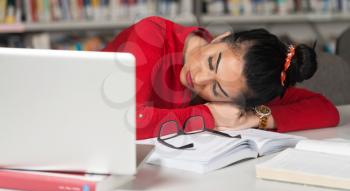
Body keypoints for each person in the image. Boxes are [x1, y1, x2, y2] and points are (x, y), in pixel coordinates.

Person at [101, 16, 339, 140]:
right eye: (211, 61)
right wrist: (208, 115)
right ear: (219, 38)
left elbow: (326, 110)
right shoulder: (152, 33)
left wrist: (254, 118)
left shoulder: (243, 86)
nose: (200, 78)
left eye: (216, 89)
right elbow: (124, 121)